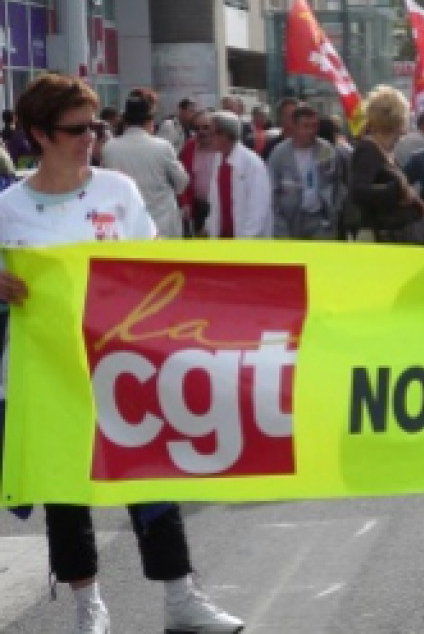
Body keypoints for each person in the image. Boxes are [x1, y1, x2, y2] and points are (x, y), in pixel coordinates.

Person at [0, 73, 245, 634]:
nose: (91, 137)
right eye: (76, 129)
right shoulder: (9, 207)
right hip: (48, 373)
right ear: (39, 133)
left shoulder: (118, 191)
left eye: (95, 126)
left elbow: (152, 267)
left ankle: (181, 599)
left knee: (150, 478)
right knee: (66, 493)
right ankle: (89, 608)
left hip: (124, 365)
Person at [101, 91, 192, 239]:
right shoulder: (163, 147)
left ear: (125, 121)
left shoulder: (109, 148)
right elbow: (182, 183)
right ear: (149, 121)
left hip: (125, 224)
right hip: (161, 222)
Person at [349, 86, 424, 241]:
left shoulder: (384, 149)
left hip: (392, 233)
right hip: (378, 235)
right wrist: (399, 189)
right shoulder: (368, 149)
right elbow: (359, 191)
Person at [267, 104, 340, 239]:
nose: (311, 131)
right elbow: (272, 191)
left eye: (314, 126)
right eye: (306, 126)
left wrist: (333, 214)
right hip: (290, 221)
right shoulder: (279, 153)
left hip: (319, 220)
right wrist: (278, 225)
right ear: (294, 127)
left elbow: (335, 182)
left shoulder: (325, 149)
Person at [205, 110, 273, 238]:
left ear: (225, 135)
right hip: (222, 238)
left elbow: (258, 210)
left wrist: (244, 245)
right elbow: (214, 202)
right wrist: (209, 226)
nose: (208, 137)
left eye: (212, 133)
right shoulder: (218, 159)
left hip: (247, 243)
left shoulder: (253, 164)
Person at [178, 108, 221, 235]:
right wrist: (185, 202)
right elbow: (182, 179)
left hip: (220, 206)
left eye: (206, 127)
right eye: (197, 128)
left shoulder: (223, 147)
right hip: (198, 208)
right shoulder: (190, 147)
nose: (201, 132)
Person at [261, 97, 299, 161]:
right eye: (289, 116)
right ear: (281, 118)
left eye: (297, 116)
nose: (294, 119)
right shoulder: (272, 147)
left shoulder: (308, 145)